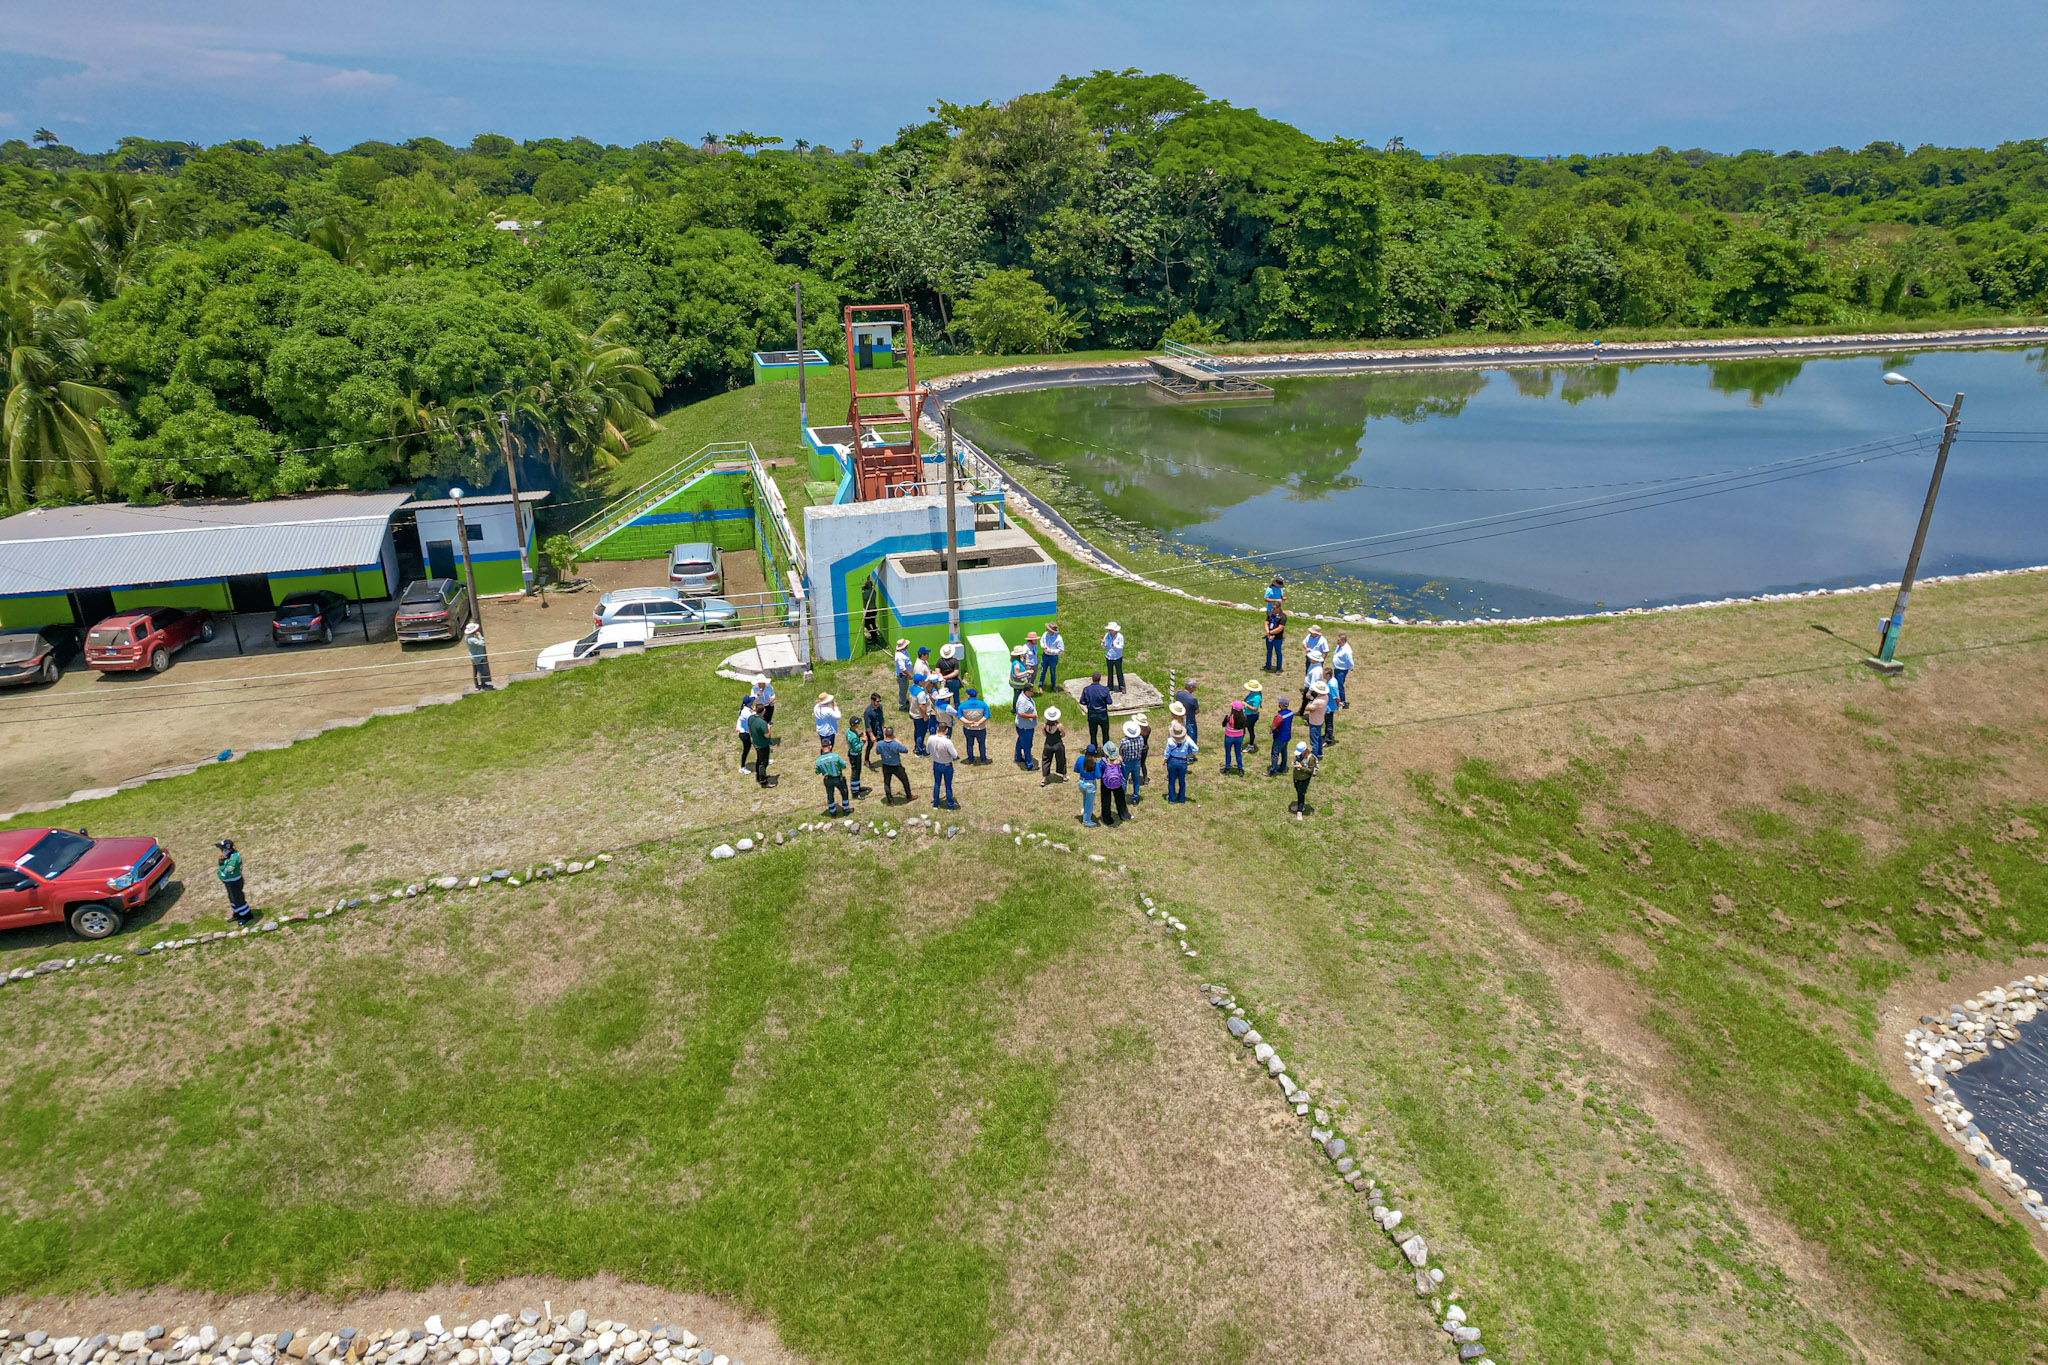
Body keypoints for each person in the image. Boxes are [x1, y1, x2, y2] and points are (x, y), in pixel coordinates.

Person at [215, 838, 251, 923]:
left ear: (228, 849)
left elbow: (226, 872)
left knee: (238, 899)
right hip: (229, 882)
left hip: (234, 882)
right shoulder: (227, 856)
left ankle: (246, 915)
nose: (221, 851)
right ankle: (237, 914)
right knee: (232, 898)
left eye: (222, 849)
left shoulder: (234, 859)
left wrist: (220, 864)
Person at [874, 726, 911, 803]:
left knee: (887, 783)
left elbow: (877, 752)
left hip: (885, 765)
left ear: (885, 734)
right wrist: (897, 740)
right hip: (896, 766)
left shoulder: (880, 744)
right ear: (892, 734)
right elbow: (905, 749)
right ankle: (909, 796)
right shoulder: (895, 744)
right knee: (904, 781)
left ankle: (890, 800)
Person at [1164, 722, 1197, 803]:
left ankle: (1172, 799)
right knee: (1182, 780)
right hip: (1183, 760)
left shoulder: (1170, 740)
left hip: (1172, 760)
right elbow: (1196, 749)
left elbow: (1167, 752)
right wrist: (1189, 756)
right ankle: (1182, 799)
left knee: (1171, 780)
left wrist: (1165, 760)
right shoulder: (1187, 739)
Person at [816, 740, 851, 815]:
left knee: (830, 795)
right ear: (830, 747)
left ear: (822, 748)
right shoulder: (835, 756)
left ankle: (832, 811)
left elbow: (817, 772)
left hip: (827, 779)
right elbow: (843, 765)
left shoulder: (819, 760)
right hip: (838, 778)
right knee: (844, 793)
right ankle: (846, 809)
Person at [927, 728, 959, 810]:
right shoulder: (947, 742)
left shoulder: (931, 738)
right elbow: (955, 755)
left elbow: (927, 750)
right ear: (946, 730)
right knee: (948, 785)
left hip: (936, 763)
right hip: (947, 765)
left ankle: (936, 803)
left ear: (937, 729)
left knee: (937, 783)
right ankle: (950, 805)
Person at [1080, 672, 1113, 749]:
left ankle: (1093, 750)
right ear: (1100, 679)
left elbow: (1082, 701)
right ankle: (1106, 750)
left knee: (1093, 734)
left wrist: (1088, 702)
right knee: (1105, 733)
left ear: (1092, 679)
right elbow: (1109, 701)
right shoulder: (1105, 689)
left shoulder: (1086, 689)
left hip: (1092, 714)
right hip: (1102, 714)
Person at [747, 701, 776, 786]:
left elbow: (749, 728)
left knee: (759, 760)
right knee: (763, 763)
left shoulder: (751, 718)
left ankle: (758, 776)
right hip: (763, 744)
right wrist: (769, 728)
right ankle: (763, 781)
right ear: (763, 711)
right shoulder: (762, 723)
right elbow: (767, 735)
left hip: (756, 742)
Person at [1119, 720, 1146, 806]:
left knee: (1124, 780)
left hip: (1126, 762)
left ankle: (1122, 798)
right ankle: (1135, 798)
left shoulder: (1124, 741)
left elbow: (1120, 751)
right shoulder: (1141, 739)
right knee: (1136, 780)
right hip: (1136, 762)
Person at [1101, 740, 1128, 826]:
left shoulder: (1103, 762)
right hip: (1117, 782)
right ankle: (1123, 814)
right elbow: (1123, 772)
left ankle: (1107, 818)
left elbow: (1100, 772)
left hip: (1105, 783)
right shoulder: (1119, 761)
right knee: (1120, 798)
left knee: (1106, 800)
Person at [959, 687, 990, 764]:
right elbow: (986, 715)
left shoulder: (963, 705)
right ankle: (983, 758)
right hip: (980, 728)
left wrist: (968, 722)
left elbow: (959, 716)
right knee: (982, 744)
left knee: (969, 744)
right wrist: (979, 723)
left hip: (968, 728)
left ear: (968, 695)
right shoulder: (983, 704)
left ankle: (970, 759)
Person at [1290, 740, 1319, 815]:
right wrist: (1295, 763)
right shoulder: (1299, 755)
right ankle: (1300, 805)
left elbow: (1310, 770)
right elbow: (1297, 760)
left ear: (1305, 750)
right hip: (1296, 777)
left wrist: (1301, 767)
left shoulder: (1311, 758)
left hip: (1304, 779)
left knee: (1301, 793)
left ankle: (1300, 810)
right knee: (1298, 790)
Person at [1267, 696, 1294, 776]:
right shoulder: (1290, 713)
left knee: (1275, 753)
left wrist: (1271, 727)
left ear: (1282, 705)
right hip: (1287, 735)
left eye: (1279, 703)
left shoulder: (1279, 716)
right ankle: (1283, 767)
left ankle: (1273, 770)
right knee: (1284, 752)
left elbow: (1273, 727)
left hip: (1280, 736)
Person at [1075, 744, 1102, 827]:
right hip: (1090, 785)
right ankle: (1086, 821)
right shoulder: (1095, 763)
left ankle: (1084, 811)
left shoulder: (1080, 759)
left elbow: (1075, 769)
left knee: (1085, 797)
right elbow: (1098, 776)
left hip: (1081, 782)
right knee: (1089, 804)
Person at [1040, 705, 1067, 784]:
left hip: (1048, 744)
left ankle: (1044, 779)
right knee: (1061, 760)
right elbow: (1063, 734)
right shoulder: (1059, 726)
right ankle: (1064, 777)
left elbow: (1044, 734)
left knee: (1045, 760)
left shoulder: (1044, 725)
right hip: (1058, 744)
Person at [1013, 685, 1039, 768]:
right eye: (1031, 691)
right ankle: (1029, 764)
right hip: (1025, 727)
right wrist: (1032, 716)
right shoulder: (1023, 701)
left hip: (1023, 726)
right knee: (1027, 745)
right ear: (1026, 691)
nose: (1033, 692)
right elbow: (1020, 714)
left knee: (1021, 741)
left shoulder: (1026, 697)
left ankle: (1018, 757)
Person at [464, 621, 493, 690]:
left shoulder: (467, 638)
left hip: (473, 657)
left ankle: (477, 685)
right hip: (478, 657)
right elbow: (482, 644)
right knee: (481, 671)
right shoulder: (473, 640)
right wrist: (480, 636)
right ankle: (483, 685)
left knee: (475, 671)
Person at [1303, 681, 1329, 757]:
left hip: (1314, 721)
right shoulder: (1325, 697)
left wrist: (1310, 701)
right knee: (1319, 737)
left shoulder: (1318, 701)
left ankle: (1314, 756)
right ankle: (1319, 752)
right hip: (1320, 720)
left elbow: (1307, 708)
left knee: (1314, 740)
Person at [845, 722, 870, 799]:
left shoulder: (848, 731)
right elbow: (857, 748)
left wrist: (859, 736)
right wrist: (863, 741)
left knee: (857, 772)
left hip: (851, 753)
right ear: (856, 725)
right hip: (855, 756)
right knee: (855, 773)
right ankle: (855, 792)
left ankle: (857, 787)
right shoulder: (853, 737)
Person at [908, 676, 932, 756]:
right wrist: (925, 716)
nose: (924, 681)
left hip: (913, 713)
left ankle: (917, 745)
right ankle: (919, 750)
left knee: (917, 730)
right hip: (920, 716)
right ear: (919, 682)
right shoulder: (921, 693)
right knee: (921, 733)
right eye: (922, 680)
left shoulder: (912, 687)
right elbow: (921, 706)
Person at [1221, 702, 1247, 774]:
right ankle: (1240, 768)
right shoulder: (1244, 717)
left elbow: (1223, 725)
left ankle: (1227, 768)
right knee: (1238, 752)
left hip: (1229, 737)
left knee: (1228, 752)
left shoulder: (1228, 718)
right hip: (1239, 737)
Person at [736, 693, 759, 772]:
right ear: (749, 703)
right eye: (751, 701)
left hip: (744, 732)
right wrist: (756, 712)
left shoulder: (746, 709)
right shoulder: (746, 712)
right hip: (744, 734)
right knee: (747, 749)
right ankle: (742, 767)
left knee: (755, 746)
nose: (753, 702)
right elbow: (753, 719)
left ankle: (763, 759)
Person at [1331, 633, 1354, 710]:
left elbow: (1350, 661)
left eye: (1338, 640)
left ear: (1343, 641)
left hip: (1342, 670)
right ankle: (1336, 700)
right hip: (1337, 669)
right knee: (1335, 685)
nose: (1337, 642)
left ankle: (1342, 702)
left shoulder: (1347, 650)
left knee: (1339, 686)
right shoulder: (1339, 646)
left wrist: (1350, 668)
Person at [1037, 622, 1064, 688]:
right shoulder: (1045, 634)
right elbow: (1041, 641)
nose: (1046, 629)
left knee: (1052, 671)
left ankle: (1053, 685)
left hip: (1053, 657)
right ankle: (1040, 685)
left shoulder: (1058, 638)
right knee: (1043, 671)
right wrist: (1042, 646)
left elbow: (1061, 649)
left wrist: (1051, 651)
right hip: (1045, 655)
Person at [1102, 621, 1126, 691]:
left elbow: (1121, 647)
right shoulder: (1107, 635)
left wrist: (1114, 645)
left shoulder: (1120, 637)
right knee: (1110, 672)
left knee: (1119, 672)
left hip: (1117, 657)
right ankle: (1110, 686)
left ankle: (1122, 686)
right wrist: (1103, 643)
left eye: (1110, 630)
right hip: (1109, 656)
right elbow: (1104, 645)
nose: (1109, 631)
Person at [1242, 681, 1263, 756]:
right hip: (1247, 714)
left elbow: (1255, 709)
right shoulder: (1252, 693)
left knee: (1250, 730)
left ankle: (1251, 745)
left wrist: (1246, 705)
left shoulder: (1257, 697)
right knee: (1242, 728)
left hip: (1251, 716)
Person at [1263, 607, 1286, 673]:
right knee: (1269, 651)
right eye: (1272, 607)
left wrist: (1271, 632)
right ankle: (1268, 665)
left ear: (1278, 608)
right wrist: (1267, 632)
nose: (1272, 609)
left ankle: (1279, 668)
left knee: (1278, 652)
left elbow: (1280, 628)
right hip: (1269, 636)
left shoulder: (1283, 616)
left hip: (1277, 638)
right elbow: (1266, 622)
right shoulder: (1270, 614)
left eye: (1274, 608)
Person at [894, 638, 913, 710]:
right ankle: (902, 705)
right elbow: (903, 668)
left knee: (905, 689)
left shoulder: (903, 652)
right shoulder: (899, 656)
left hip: (904, 676)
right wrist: (909, 675)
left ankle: (904, 700)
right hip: (903, 676)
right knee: (903, 690)